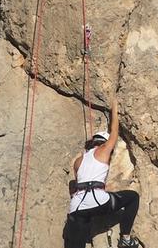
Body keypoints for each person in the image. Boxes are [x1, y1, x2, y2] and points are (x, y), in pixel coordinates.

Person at [63, 98, 140, 248]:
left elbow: (75, 184)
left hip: (76, 208)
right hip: (97, 200)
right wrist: (114, 108)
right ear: (103, 142)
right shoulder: (104, 150)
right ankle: (125, 239)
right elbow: (115, 131)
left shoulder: (78, 161)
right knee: (133, 197)